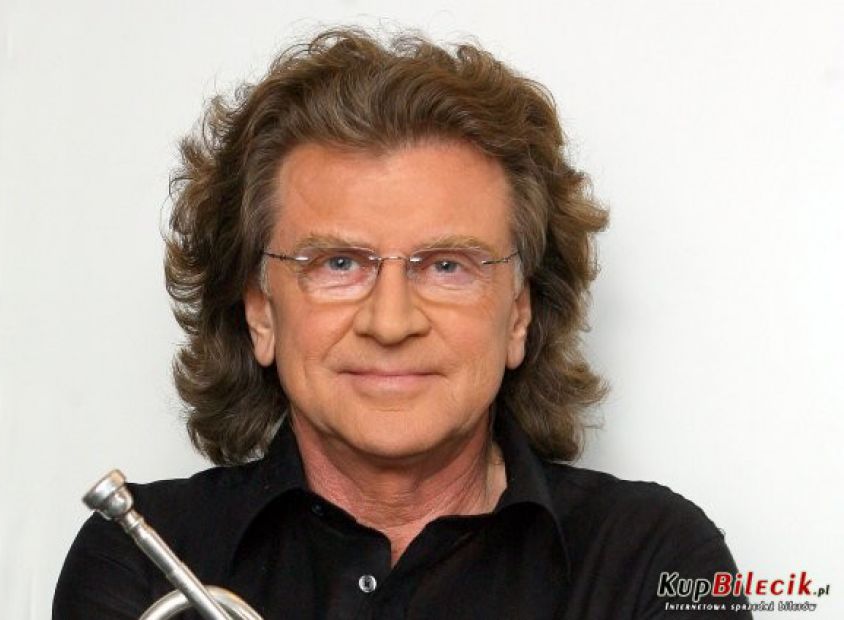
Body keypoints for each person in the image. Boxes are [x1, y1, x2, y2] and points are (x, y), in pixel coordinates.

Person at [54, 28, 750, 619]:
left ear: (519, 315)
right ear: (261, 314)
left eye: (447, 266)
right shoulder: (137, 559)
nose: (390, 323)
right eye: (338, 264)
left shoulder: (653, 558)